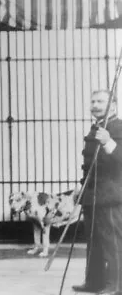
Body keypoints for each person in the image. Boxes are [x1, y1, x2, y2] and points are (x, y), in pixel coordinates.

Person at [73, 90, 122, 295]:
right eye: (92, 101)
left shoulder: (117, 127)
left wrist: (108, 142)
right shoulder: (96, 128)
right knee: (94, 242)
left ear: (112, 105)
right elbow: (90, 165)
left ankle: (117, 286)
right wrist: (81, 187)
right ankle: (94, 282)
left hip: (111, 196)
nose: (95, 105)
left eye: (100, 101)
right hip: (92, 194)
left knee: (112, 242)